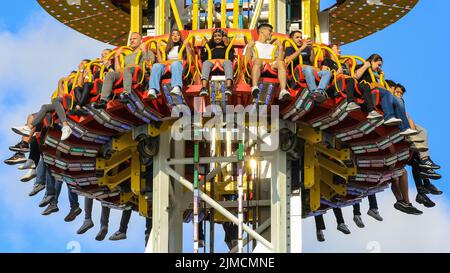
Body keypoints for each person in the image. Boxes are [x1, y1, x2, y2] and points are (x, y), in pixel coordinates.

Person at [354, 54, 417, 136]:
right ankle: (388, 117)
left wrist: (381, 78)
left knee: (399, 100)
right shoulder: (361, 66)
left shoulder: (374, 75)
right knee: (387, 93)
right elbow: (355, 76)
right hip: (366, 91)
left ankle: (405, 128)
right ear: (372, 61)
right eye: (378, 65)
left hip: (375, 91)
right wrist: (366, 65)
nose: (379, 68)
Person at [11, 70, 79, 141]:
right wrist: (60, 83)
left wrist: (60, 82)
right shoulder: (65, 86)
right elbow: (58, 96)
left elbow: (62, 97)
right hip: (57, 105)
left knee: (54, 102)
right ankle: (26, 136)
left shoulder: (74, 85)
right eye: (69, 76)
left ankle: (65, 126)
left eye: (71, 76)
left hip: (69, 102)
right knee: (37, 112)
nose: (68, 78)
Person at [93, 32, 155, 109]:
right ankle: (103, 101)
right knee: (109, 75)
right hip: (126, 72)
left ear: (141, 41)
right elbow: (118, 70)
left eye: (134, 39)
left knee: (127, 70)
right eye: (131, 39)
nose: (132, 41)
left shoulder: (147, 52)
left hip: (139, 73)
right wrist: (116, 57)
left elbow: (149, 64)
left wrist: (144, 51)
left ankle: (126, 94)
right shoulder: (126, 56)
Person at [321, 44, 382, 119]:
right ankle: (350, 102)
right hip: (334, 85)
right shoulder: (327, 61)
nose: (340, 50)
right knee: (350, 79)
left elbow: (350, 75)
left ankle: (371, 111)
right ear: (330, 51)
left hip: (347, 84)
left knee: (365, 86)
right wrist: (336, 74)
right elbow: (323, 74)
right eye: (337, 48)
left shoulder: (342, 64)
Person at [244, 23, 290, 101]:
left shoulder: (273, 47)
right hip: (258, 66)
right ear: (262, 31)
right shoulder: (253, 44)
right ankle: (254, 87)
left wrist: (281, 48)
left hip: (271, 67)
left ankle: (283, 90)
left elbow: (279, 60)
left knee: (281, 63)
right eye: (270, 31)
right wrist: (249, 48)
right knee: (258, 60)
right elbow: (247, 60)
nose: (271, 33)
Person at [285, 30, 331, 104]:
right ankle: (313, 92)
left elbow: (312, 61)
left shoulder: (306, 48)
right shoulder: (289, 49)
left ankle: (319, 91)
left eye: (301, 37)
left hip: (310, 71)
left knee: (327, 72)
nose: (300, 39)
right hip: (297, 73)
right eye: (297, 37)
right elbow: (287, 60)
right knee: (308, 68)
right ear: (291, 39)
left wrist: (311, 49)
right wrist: (301, 49)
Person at [147, 29, 192, 98]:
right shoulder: (168, 48)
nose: (175, 36)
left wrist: (187, 46)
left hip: (179, 65)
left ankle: (177, 87)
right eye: (173, 35)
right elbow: (161, 61)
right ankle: (153, 89)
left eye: (177, 35)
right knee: (156, 66)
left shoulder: (183, 46)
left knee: (175, 64)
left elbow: (189, 59)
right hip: (168, 66)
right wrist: (158, 49)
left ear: (180, 37)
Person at [198, 28, 235, 97]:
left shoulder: (227, 48)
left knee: (228, 62)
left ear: (223, 37)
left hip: (224, 66)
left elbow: (231, 57)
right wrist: (203, 47)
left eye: (219, 35)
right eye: (215, 36)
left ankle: (229, 87)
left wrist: (227, 45)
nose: (217, 38)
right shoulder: (210, 49)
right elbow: (203, 58)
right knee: (206, 63)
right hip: (212, 67)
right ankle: (203, 88)